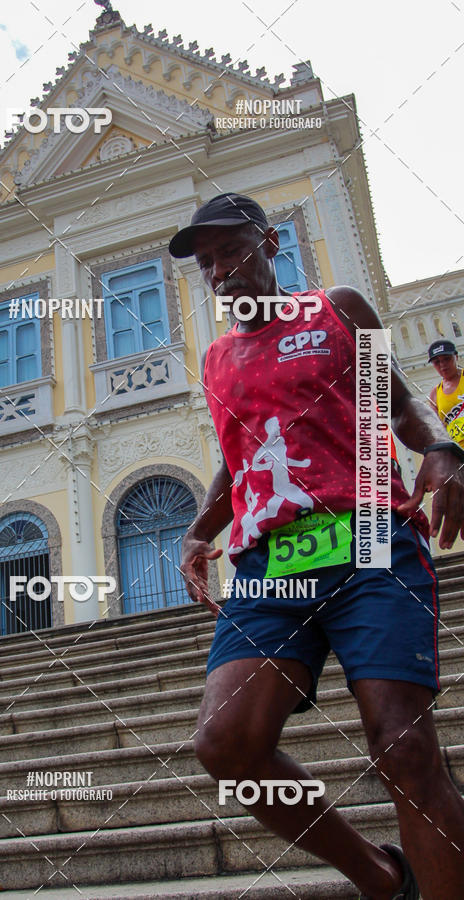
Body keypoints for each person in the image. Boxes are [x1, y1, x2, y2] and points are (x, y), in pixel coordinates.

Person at [169, 193, 464, 900]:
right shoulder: (216, 362)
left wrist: (445, 447)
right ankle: (382, 877)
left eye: (232, 250)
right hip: (272, 566)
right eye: (207, 263)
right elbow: (242, 455)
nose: (220, 272)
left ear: (271, 243)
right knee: (227, 745)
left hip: (368, 537)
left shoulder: (337, 308)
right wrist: (199, 529)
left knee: (405, 747)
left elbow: (396, 402)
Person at [428, 339, 464, 449]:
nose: (443, 365)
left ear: (456, 357)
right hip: (458, 453)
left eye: (447, 359)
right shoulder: (435, 394)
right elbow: (438, 431)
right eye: (437, 362)